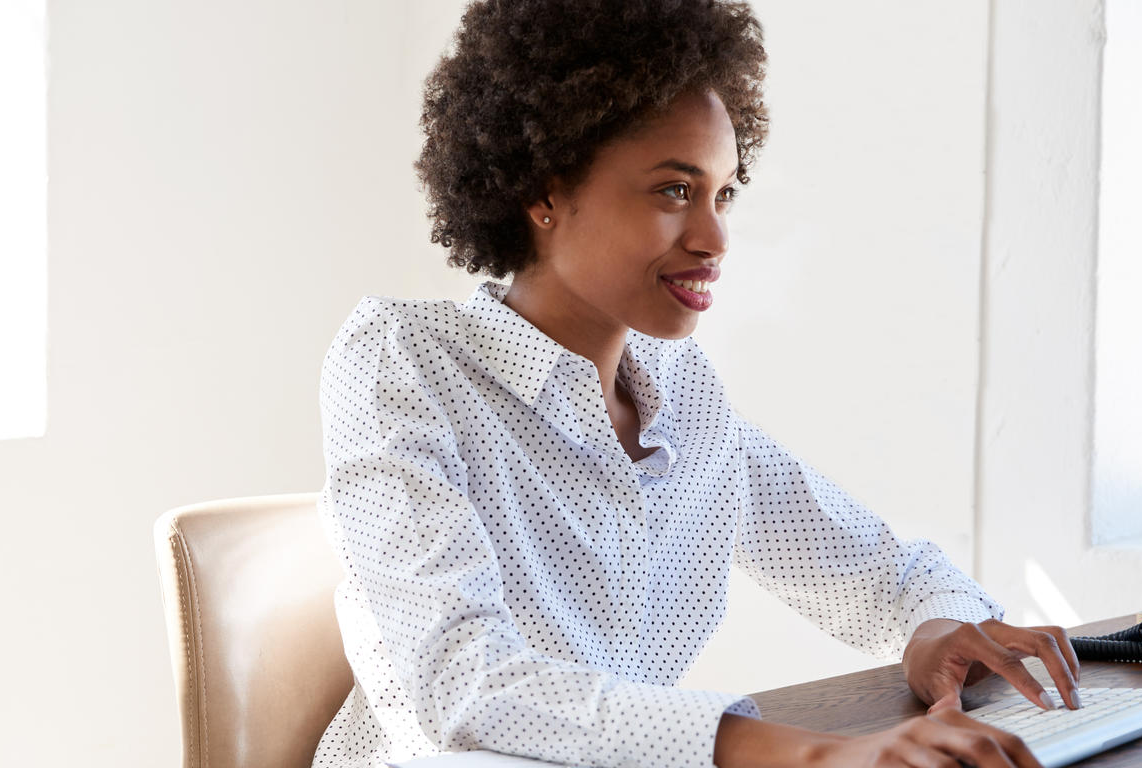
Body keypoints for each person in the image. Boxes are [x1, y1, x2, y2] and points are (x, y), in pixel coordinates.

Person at [313, 2, 1080, 766]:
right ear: (542, 193)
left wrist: (936, 631)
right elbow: (466, 686)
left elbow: (885, 575)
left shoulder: (681, 399)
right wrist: (810, 755)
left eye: (723, 195)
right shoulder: (401, 360)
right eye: (675, 191)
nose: (713, 240)